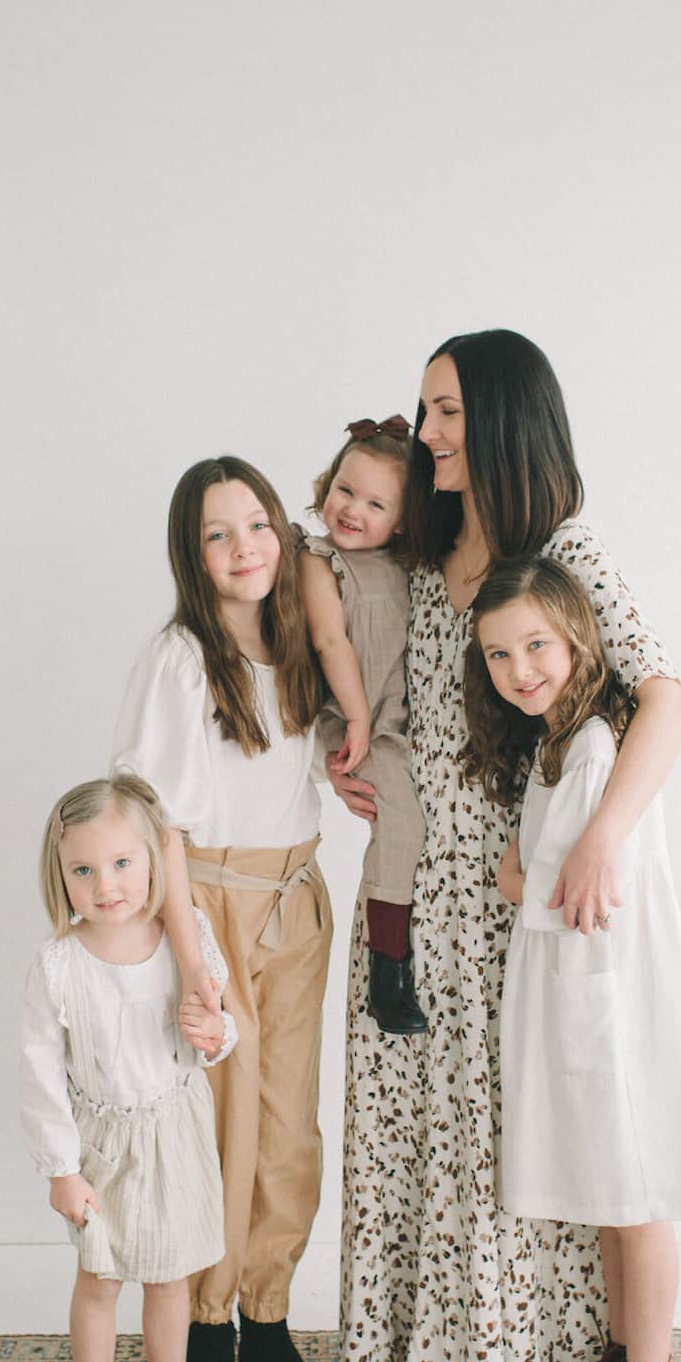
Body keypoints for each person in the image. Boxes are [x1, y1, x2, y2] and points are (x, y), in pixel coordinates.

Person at [332, 329, 681, 1362]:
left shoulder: (560, 550)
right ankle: (413, 1353)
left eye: (445, 411)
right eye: (423, 408)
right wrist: (343, 756)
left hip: (507, 894)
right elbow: (366, 678)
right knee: (401, 1124)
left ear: (494, 418)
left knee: (492, 1135)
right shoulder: (414, 549)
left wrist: (598, 841)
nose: (426, 431)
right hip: (406, 886)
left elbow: (662, 697)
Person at [465, 557, 681, 1362]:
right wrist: (527, 873)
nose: (520, 667)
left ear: (578, 638)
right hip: (579, 991)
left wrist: (520, 879)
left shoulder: (601, 746)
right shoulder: (553, 746)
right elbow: (540, 866)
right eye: (498, 653)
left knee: (637, 1193)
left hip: (612, 993)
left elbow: (566, 888)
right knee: (613, 1197)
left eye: (535, 644)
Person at [111, 457, 334, 1362]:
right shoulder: (180, 657)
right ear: (190, 553)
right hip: (209, 906)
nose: (244, 546)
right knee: (221, 1127)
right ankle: (203, 1335)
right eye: (217, 532)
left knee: (288, 1126)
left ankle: (267, 1321)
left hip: (295, 899)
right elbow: (155, 817)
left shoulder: (298, 643)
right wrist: (188, 951)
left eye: (257, 523)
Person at [19, 772, 234, 1362]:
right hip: (101, 1146)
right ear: (61, 874)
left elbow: (218, 1022)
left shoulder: (185, 938)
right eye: (82, 869)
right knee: (101, 1278)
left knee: (170, 1273)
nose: (104, 885)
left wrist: (216, 1031)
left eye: (120, 864)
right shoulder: (58, 966)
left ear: (151, 861)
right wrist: (61, 1168)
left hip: (172, 1128)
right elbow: (40, 1072)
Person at [299, 415, 426, 1034]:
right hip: (356, 721)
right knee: (401, 823)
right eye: (346, 489)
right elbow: (328, 639)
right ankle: (387, 970)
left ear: (401, 520)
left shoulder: (404, 564)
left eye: (376, 503)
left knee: (411, 823)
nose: (352, 509)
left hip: (394, 719)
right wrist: (353, 717)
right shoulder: (317, 559)